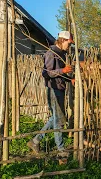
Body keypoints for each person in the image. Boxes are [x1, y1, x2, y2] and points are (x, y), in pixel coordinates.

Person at [27, 31, 75, 164]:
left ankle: (35, 141)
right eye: (68, 43)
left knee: (55, 117)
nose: (69, 46)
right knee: (59, 120)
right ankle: (61, 151)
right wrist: (63, 71)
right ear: (62, 40)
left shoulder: (62, 54)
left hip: (60, 88)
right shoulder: (51, 53)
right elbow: (46, 73)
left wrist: (69, 79)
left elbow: (60, 74)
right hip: (53, 89)